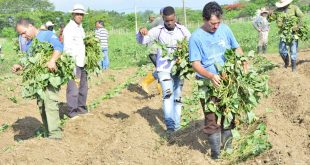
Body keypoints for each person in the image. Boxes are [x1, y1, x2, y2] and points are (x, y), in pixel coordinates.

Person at [189, 2, 247, 159]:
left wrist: (242, 62)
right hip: (208, 84)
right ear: (204, 19)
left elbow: (236, 47)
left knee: (229, 114)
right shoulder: (195, 37)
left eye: (218, 23)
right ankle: (216, 154)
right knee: (211, 119)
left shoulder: (225, 29)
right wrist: (210, 75)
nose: (215, 26)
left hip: (228, 81)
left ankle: (228, 148)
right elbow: (195, 63)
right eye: (212, 23)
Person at [137, 6, 191, 133]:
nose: (170, 23)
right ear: (163, 19)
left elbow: (192, 43)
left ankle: (177, 127)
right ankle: (170, 127)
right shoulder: (157, 31)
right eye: (167, 21)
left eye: (172, 20)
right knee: (168, 95)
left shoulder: (183, 30)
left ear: (175, 17)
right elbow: (143, 41)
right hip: (164, 68)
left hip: (179, 68)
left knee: (177, 97)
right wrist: (140, 32)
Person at [12, 18, 64, 139]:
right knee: (42, 106)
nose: (23, 36)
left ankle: (55, 135)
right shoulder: (29, 44)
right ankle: (47, 133)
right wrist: (19, 66)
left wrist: (52, 60)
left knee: (50, 103)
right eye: (21, 35)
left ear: (30, 26)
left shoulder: (47, 34)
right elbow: (29, 62)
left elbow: (59, 48)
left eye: (24, 33)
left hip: (50, 77)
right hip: (38, 80)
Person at [63, 4, 88, 118]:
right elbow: (67, 48)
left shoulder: (80, 27)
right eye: (77, 14)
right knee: (73, 88)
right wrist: (71, 65)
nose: (79, 16)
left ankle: (81, 108)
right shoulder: (69, 28)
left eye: (81, 14)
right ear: (73, 14)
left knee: (83, 87)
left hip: (82, 61)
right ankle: (72, 112)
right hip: (74, 62)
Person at [138, 8, 165, 95]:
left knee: (162, 69)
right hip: (155, 51)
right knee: (163, 69)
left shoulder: (157, 22)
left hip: (156, 50)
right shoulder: (160, 20)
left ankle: (160, 89)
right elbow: (143, 29)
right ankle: (146, 82)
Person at [272, 0, 303, 71]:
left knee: (293, 50)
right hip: (283, 33)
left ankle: (293, 68)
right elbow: (270, 19)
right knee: (281, 50)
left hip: (293, 32)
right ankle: (286, 62)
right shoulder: (277, 10)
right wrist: (270, 15)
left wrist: (298, 26)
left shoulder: (294, 8)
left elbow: (301, 16)